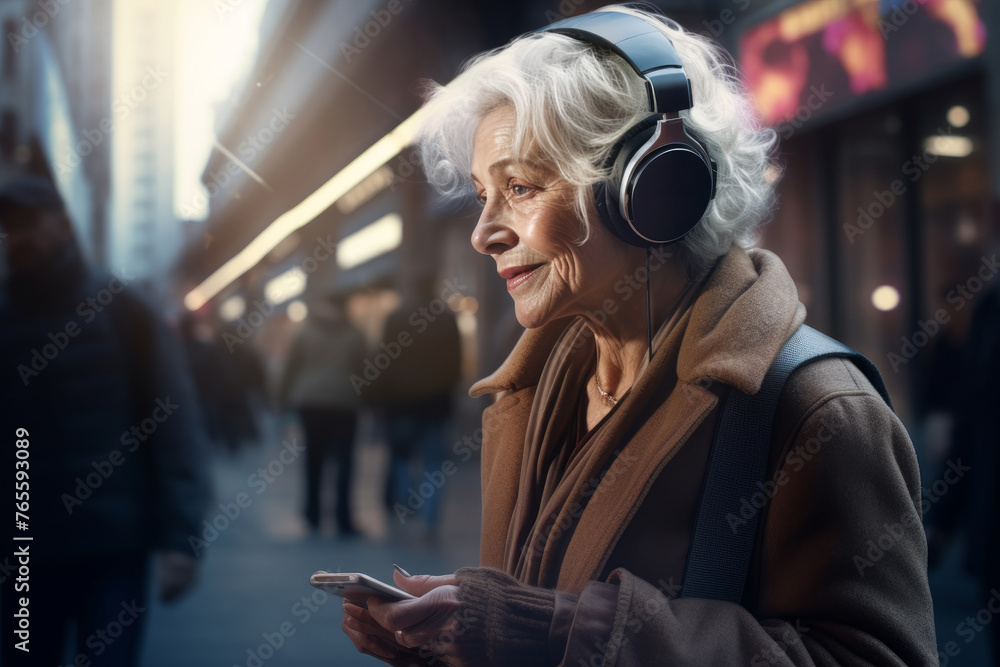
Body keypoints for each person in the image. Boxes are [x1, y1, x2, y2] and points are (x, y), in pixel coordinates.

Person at [340, 6, 937, 665]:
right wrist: (452, 642)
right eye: (484, 193)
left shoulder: (817, 409)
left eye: (519, 186)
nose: (484, 233)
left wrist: (552, 630)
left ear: (654, 188)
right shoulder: (538, 392)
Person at [0, 173, 211, 666]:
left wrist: (182, 538)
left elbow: (173, 424)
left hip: (113, 548)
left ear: (64, 226)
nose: (18, 237)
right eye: (8, 228)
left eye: (29, 223)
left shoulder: (120, 308)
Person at [377, 275, 462, 538]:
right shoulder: (447, 320)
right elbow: (456, 363)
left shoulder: (396, 318)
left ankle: (404, 507)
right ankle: (431, 519)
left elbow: (384, 361)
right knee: (433, 461)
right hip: (436, 401)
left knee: (402, 456)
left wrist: (384, 397)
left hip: (402, 402)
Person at [279, 292, 365, 535]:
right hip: (344, 402)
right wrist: (368, 398)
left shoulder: (306, 334)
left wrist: (282, 396)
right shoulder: (354, 335)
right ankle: (343, 518)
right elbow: (368, 369)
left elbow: (291, 367)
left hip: (311, 402)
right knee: (345, 463)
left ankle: (312, 514)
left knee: (313, 461)